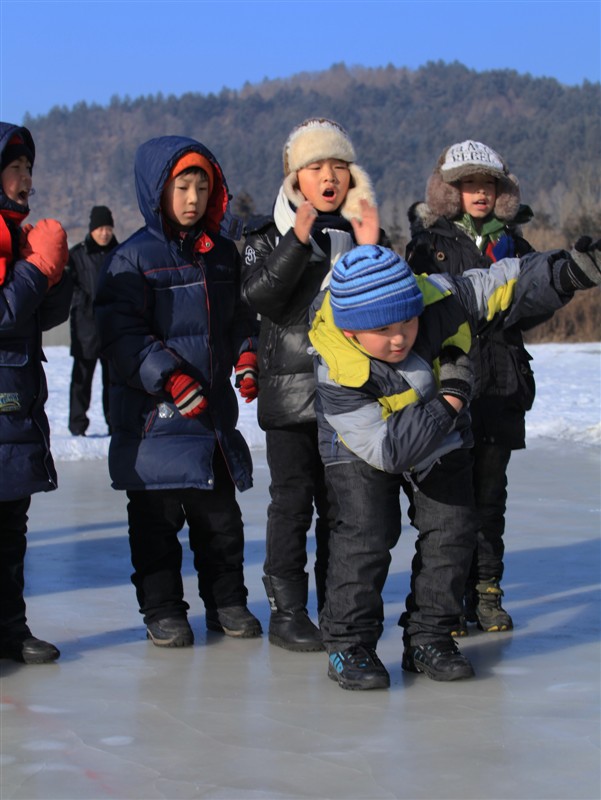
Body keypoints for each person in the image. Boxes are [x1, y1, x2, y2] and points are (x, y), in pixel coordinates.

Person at [308, 240, 601, 690]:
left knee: (453, 528)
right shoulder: (337, 368)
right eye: (383, 330)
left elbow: (506, 282)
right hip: (365, 444)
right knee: (366, 532)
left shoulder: (440, 299)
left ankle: (430, 635)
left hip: (435, 427)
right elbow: (388, 451)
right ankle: (349, 643)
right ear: (351, 332)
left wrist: (569, 271)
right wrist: (449, 399)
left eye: (408, 319)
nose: (400, 336)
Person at [95, 135, 262, 648]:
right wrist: (169, 376)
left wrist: (248, 353)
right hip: (153, 424)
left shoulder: (221, 255)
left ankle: (228, 601)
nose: (193, 199)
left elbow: (238, 317)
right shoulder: (131, 258)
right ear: (157, 191)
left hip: (209, 421)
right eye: (182, 186)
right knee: (155, 529)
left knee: (221, 525)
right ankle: (163, 608)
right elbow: (122, 334)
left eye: (202, 186)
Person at [242, 118, 386, 651]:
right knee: (293, 503)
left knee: (341, 506)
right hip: (290, 393)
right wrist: (297, 240)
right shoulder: (263, 235)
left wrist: (370, 247)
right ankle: (287, 613)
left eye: (338, 167)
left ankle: (335, 605)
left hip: (348, 391)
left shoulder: (365, 228)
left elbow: (383, 308)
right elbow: (260, 298)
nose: (329, 178)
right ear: (295, 177)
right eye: (316, 167)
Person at [405, 140, 537, 633]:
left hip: (502, 382)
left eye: (489, 185)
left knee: (490, 496)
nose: (480, 194)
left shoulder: (515, 244)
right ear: (450, 191)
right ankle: (449, 595)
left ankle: (487, 592)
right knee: (448, 498)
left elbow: (537, 302)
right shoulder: (427, 243)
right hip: (449, 382)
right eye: (469, 185)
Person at [0, 122, 72, 664]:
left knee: (11, 528)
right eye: (15, 168)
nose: (25, 180)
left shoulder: (16, 233)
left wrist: (57, 274)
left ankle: (10, 627)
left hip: (15, 400)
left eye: (29, 170)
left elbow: (35, 316)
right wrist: (35, 269)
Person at [67, 205, 118, 436]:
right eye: (100, 228)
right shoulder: (77, 254)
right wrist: (85, 304)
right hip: (85, 327)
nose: (104, 233)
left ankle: (115, 424)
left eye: (108, 228)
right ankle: (77, 426)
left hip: (112, 327)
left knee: (114, 382)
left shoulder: (121, 252)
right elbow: (70, 288)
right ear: (92, 230)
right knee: (81, 381)